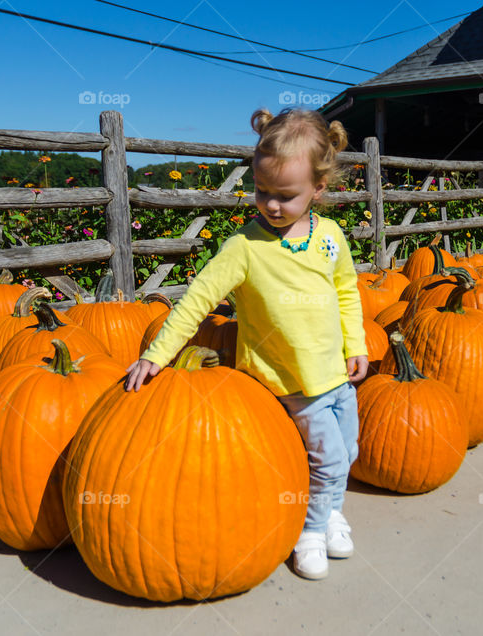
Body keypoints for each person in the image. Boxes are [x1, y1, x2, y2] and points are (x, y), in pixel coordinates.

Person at [124, 108, 369, 581]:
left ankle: (332, 512)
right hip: (290, 380)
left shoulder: (331, 236)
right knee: (329, 458)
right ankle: (309, 533)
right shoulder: (244, 247)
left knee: (349, 451)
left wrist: (355, 343)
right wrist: (156, 354)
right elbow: (197, 300)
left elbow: (346, 292)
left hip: (335, 373)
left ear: (318, 189)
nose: (271, 206)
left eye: (286, 196)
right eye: (262, 193)